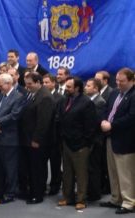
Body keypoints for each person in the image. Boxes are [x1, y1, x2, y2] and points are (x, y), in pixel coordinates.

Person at [57, 76, 96, 210]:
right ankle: (67, 197)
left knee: (81, 174)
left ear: (77, 88)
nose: (66, 89)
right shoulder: (64, 100)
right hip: (66, 142)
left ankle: (81, 199)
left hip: (80, 145)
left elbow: (91, 127)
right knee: (67, 172)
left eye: (69, 87)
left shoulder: (86, 103)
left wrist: (84, 143)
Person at [100, 68, 135, 214]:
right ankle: (116, 198)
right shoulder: (114, 92)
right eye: (117, 81)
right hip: (111, 137)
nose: (119, 84)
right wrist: (103, 120)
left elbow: (132, 117)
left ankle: (129, 202)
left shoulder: (133, 95)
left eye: (122, 81)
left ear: (132, 80)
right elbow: (106, 109)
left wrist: (112, 125)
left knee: (125, 173)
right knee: (113, 170)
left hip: (126, 140)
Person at [0, 73, 25, 204]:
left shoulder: (18, 97)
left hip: (9, 139)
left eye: (0, 85)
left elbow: (15, 115)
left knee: (10, 169)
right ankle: (0, 191)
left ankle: (10, 194)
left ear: (8, 84)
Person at [21, 73, 55, 204]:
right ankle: (33, 191)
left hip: (38, 142)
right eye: (26, 83)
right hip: (29, 139)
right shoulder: (34, 94)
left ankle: (37, 195)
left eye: (30, 84)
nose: (27, 86)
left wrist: (36, 139)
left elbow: (43, 122)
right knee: (32, 168)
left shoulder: (45, 97)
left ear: (38, 82)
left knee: (38, 169)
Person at [84, 78, 106, 201]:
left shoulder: (100, 102)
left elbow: (95, 121)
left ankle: (94, 193)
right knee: (88, 167)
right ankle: (89, 190)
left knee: (94, 167)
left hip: (95, 140)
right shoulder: (89, 100)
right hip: (89, 139)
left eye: (88, 85)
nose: (86, 87)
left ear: (96, 88)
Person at [43, 74, 64, 195]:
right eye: (44, 83)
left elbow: (58, 116)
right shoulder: (42, 96)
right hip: (43, 136)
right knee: (43, 162)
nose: (45, 85)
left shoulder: (59, 98)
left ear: (53, 83)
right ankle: (44, 183)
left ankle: (55, 185)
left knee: (55, 163)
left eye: (47, 82)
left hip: (55, 136)